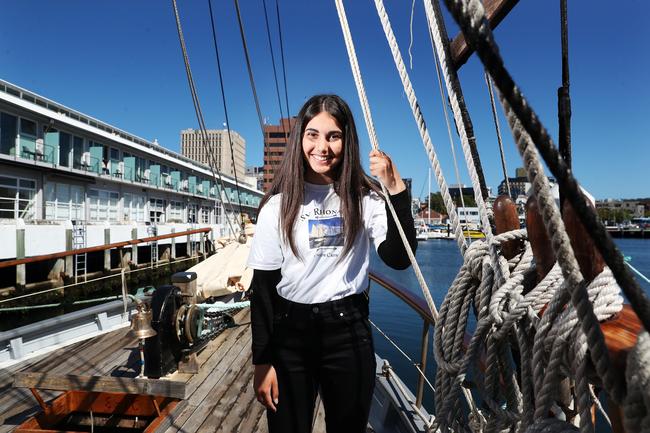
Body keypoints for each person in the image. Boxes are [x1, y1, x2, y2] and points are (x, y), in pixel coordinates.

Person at [247, 94, 416, 433]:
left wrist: (395, 188)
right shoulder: (276, 206)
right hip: (290, 334)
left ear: (346, 141)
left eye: (333, 136)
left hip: (347, 332)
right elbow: (263, 290)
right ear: (300, 139)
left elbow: (398, 259)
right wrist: (262, 362)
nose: (322, 146)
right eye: (313, 134)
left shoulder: (364, 199)